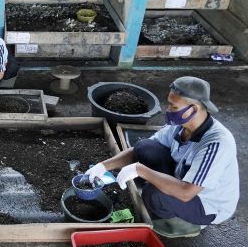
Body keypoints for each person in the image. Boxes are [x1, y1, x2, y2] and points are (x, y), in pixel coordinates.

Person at [86, 76, 239, 237]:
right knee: (145, 147)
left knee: (154, 195)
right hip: (182, 177)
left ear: (193, 109)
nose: (168, 109)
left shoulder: (215, 144)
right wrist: (103, 166)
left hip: (206, 202)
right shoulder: (181, 126)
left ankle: (185, 224)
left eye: (173, 106)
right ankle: (165, 187)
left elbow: (186, 192)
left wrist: (140, 169)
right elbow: (138, 150)